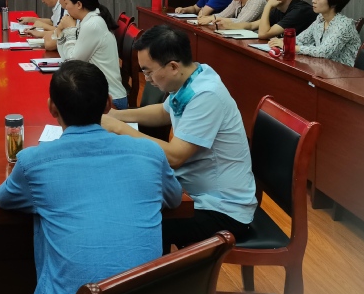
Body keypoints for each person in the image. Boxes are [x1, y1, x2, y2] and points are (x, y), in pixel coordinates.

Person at [0, 60, 181, 294]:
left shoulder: (33, 162)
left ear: (52, 108)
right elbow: (174, 198)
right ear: (108, 104)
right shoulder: (151, 153)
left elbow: (4, 199)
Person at [101, 25, 256, 252]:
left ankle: (160, 273)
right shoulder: (193, 76)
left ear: (173, 66)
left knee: (139, 222)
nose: (147, 79)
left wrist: (118, 128)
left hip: (222, 209)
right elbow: (164, 112)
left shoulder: (206, 95)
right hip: (194, 193)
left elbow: (174, 157)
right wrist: (117, 115)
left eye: (148, 72)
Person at [55, 0, 128, 108]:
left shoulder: (92, 24)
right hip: (99, 95)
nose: (65, 8)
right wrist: (61, 32)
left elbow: (73, 64)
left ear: (78, 4)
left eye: (67, 3)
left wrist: (70, 30)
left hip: (110, 100)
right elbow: (67, 59)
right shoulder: (88, 20)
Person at [269, 0, 361, 66]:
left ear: (333, 3)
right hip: (322, 66)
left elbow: (323, 52)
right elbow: (302, 39)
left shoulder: (344, 24)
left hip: (343, 71)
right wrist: (281, 41)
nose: (313, 1)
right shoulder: (320, 19)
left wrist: (290, 47)